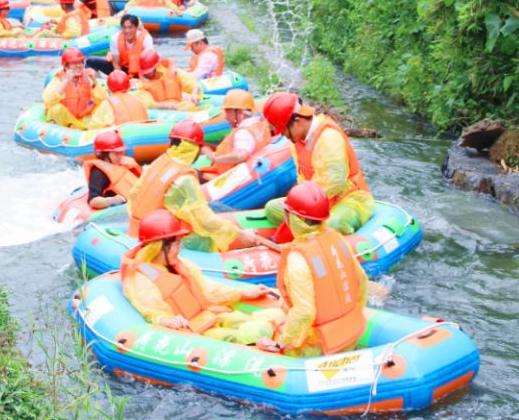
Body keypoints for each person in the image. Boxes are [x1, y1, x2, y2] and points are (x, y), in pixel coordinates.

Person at [120, 209, 276, 341]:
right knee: (247, 336)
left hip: (209, 317)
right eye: (176, 244)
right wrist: (165, 320)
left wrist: (242, 293)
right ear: (159, 246)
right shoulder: (140, 277)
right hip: (194, 333)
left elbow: (209, 291)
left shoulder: (181, 265)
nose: (180, 249)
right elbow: (151, 310)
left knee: (263, 320)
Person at [256, 182, 368, 357]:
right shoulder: (336, 239)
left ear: (290, 217)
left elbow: (304, 313)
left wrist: (280, 344)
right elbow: (361, 280)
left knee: (254, 327)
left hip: (320, 347)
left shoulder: (298, 258)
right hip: (352, 333)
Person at [127, 120, 269, 253]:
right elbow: (204, 220)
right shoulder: (184, 179)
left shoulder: (159, 161)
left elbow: (133, 194)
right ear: (196, 149)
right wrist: (239, 233)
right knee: (206, 237)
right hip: (159, 241)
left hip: (138, 229)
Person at [261, 92, 374, 235]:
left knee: (333, 224)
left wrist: (302, 209)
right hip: (315, 203)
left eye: (284, 131)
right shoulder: (298, 140)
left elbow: (335, 182)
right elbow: (302, 179)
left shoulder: (329, 138)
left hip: (348, 201)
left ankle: (315, 235)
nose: (284, 136)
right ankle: (309, 233)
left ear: (298, 121)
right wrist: (295, 208)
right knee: (272, 208)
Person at [200, 90, 272, 179]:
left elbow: (241, 155)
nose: (225, 117)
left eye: (227, 112)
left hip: (223, 177)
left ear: (238, 112)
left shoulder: (243, 133)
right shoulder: (259, 123)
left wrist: (214, 158)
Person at [42, 48, 106, 130]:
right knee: (56, 109)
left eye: (80, 62)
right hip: (64, 121)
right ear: (65, 66)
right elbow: (48, 100)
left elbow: (102, 98)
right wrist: (65, 81)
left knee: (103, 106)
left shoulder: (87, 78)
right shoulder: (58, 80)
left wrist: (95, 81)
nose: (78, 66)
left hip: (81, 120)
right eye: (74, 63)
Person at [84, 130, 141, 209]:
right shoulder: (98, 173)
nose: (120, 156)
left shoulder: (126, 163)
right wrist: (111, 200)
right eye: (116, 153)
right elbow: (93, 201)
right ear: (104, 154)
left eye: (121, 152)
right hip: (119, 208)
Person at [87, 13, 153, 76]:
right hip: (121, 68)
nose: (127, 31)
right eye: (124, 27)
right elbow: (116, 63)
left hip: (140, 71)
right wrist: (121, 79)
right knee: (90, 61)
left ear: (136, 28)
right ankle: (97, 83)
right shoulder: (115, 39)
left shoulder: (146, 38)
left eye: (130, 27)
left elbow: (149, 63)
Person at [134, 49, 200, 110]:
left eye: (150, 70)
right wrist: (164, 106)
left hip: (179, 105)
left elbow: (191, 82)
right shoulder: (143, 86)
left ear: (156, 66)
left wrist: (194, 93)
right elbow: (147, 104)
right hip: (161, 111)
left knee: (190, 103)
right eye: (146, 71)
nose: (148, 73)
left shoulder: (173, 72)